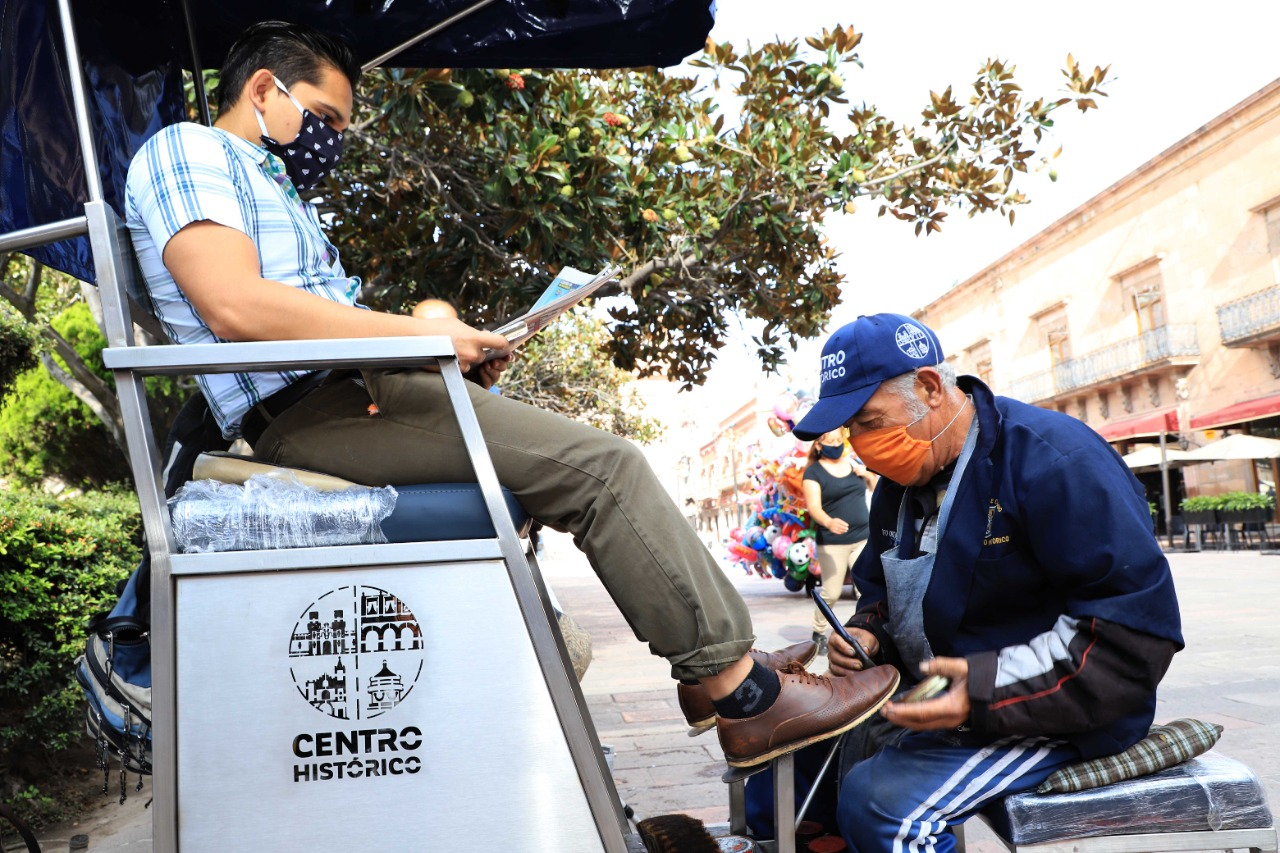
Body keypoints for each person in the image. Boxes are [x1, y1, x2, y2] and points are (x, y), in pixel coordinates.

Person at [123, 20, 901, 769]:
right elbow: (234, 305)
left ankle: (719, 667)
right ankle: (743, 695)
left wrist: (441, 347)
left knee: (595, 463)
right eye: (323, 116)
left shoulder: (267, 183)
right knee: (604, 470)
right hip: (314, 410)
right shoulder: (188, 150)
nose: (331, 138)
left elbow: (324, 315)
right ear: (264, 89)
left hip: (361, 390)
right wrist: (416, 337)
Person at [745, 313, 1183, 848]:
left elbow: (1132, 636)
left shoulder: (1054, 460)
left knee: (881, 806)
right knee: (781, 770)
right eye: (850, 430)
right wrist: (868, 634)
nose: (860, 444)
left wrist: (983, 693)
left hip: (1058, 712)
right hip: (935, 692)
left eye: (869, 421)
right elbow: (881, 592)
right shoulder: (898, 486)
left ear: (930, 388)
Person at [802, 429, 875, 654]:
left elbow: (874, 487)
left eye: (838, 440)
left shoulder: (853, 464)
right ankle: (819, 631)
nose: (836, 444)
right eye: (830, 441)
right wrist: (829, 522)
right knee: (831, 593)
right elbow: (813, 507)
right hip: (833, 541)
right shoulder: (813, 473)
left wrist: (867, 474)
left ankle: (865, 631)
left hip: (862, 537)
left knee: (866, 589)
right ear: (818, 445)